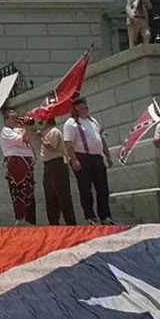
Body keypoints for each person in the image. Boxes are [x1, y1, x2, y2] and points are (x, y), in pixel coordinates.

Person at [66, 96, 113, 224]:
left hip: (97, 157)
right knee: (85, 189)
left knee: (102, 188)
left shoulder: (94, 121)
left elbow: (101, 139)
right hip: (82, 157)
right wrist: (74, 160)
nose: (86, 110)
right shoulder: (71, 123)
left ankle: (105, 216)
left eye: (86, 107)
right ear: (76, 109)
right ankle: (90, 216)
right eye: (82, 108)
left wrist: (107, 155)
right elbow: (69, 144)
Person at [0, 110, 37, 225]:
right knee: (19, 190)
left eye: (16, 117)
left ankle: (30, 219)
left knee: (29, 190)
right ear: (6, 120)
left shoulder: (19, 130)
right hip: (16, 160)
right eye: (13, 118)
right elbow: (19, 141)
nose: (16, 119)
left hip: (26, 160)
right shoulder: (5, 131)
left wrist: (26, 127)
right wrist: (25, 126)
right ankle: (20, 218)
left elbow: (27, 141)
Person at [39, 116, 77, 225]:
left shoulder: (54, 132)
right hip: (48, 164)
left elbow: (51, 146)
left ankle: (70, 223)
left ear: (47, 120)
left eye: (42, 121)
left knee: (62, 195)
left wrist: (40, 137)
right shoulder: (47, 133)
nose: (41, 123)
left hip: (57, 164)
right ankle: (53, 222)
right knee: (50, 195)